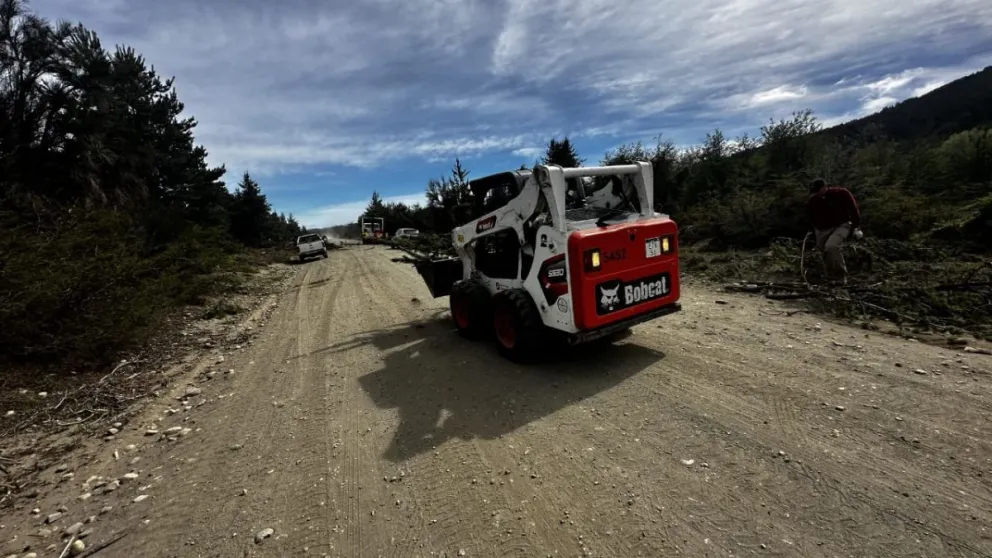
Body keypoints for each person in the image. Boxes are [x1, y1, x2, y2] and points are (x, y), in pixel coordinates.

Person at [807, 178, 862, 284]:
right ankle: (830, 276)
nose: (816, 194)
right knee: (824, 250)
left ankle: (840, 276)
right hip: (822, 228)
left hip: (842, 225)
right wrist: (812, 230)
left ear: (824, 188)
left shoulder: (841, 193)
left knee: (831, 246)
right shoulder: (813, 200)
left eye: (818, 191)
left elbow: (853, 209)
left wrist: (856, 227)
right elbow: (811, 217)